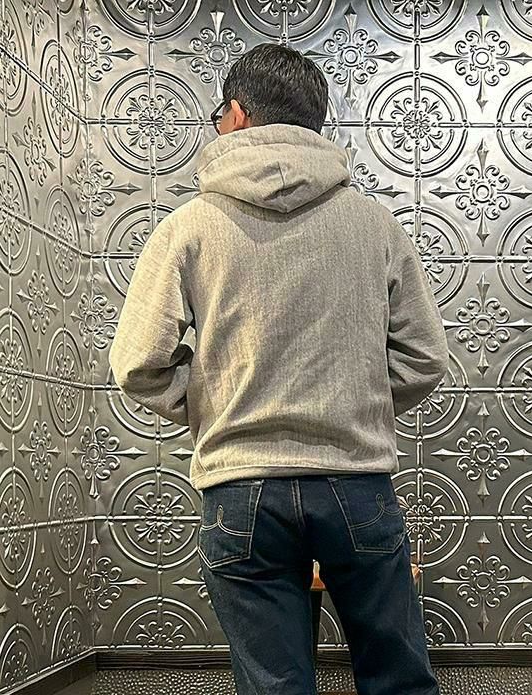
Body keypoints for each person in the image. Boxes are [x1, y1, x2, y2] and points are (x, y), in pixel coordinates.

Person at [109, 42, 449, 695]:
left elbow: (138, 363)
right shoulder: (375, 225)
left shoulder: (188, 227)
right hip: (356, 479)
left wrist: (215, 404)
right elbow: (426, 357)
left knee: (274, 687)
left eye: (219, 113)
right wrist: (355, 401)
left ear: (237, 114)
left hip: (242, 488)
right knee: (399, 680)